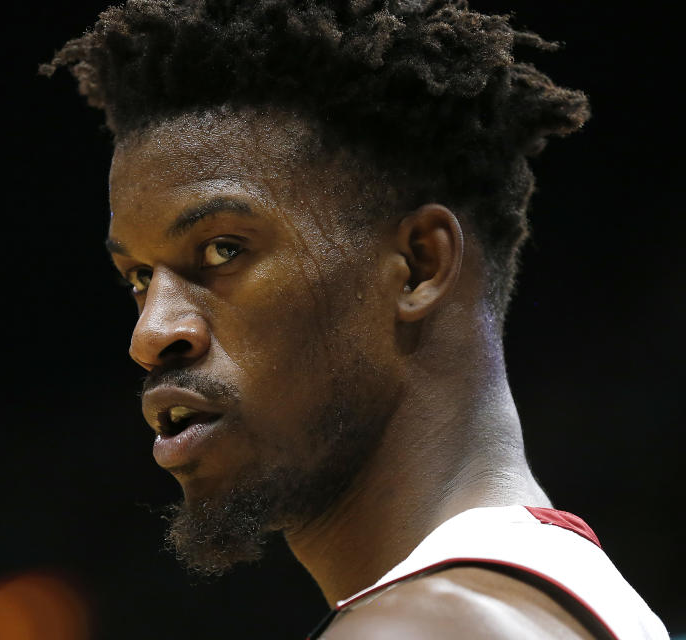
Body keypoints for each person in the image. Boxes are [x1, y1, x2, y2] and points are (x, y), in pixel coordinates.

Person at [46, 1, 669, 637]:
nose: (151, 335)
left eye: (222, 250)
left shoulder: (418, 629)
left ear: (419, 265)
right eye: (141, 279)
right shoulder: (556, 596)